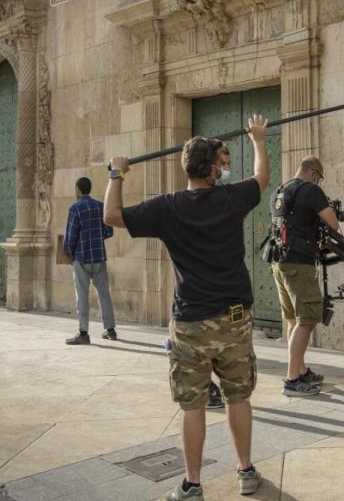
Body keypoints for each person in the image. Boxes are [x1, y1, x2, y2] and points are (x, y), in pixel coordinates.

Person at [104, 115, 269, 500]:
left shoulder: (169, 207)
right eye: (222, 164)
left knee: (193, 405)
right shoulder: (232, 199)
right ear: (213, 169)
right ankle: (245, 472)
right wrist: (258, 139)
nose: (225, 169)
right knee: (238, 396)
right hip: (233, 319)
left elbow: (111, 215)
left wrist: (117, 173)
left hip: (190, 322)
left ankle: (192, 484)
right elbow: (262, 177)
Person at [268, 156, 341, 397]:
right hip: (299, 263)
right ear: (312, 172)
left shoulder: (280, 191)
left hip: (279, 262)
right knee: (307, 319)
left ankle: (300, 370)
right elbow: (333, 223)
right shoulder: (310, 191)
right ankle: (292, 379)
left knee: (293, 319)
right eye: (319, 178)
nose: (318, 182)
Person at [63, 177, 116, 345]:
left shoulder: (75, 208)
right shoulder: (101, 207)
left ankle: (83, 333)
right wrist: (97, 239)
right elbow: (109, 231)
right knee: (104, 294)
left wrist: (69, 253)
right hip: (99, 257)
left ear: (78, 190)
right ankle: (110, 330)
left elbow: (70, 238)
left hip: (81, 257)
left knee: (82, 296)